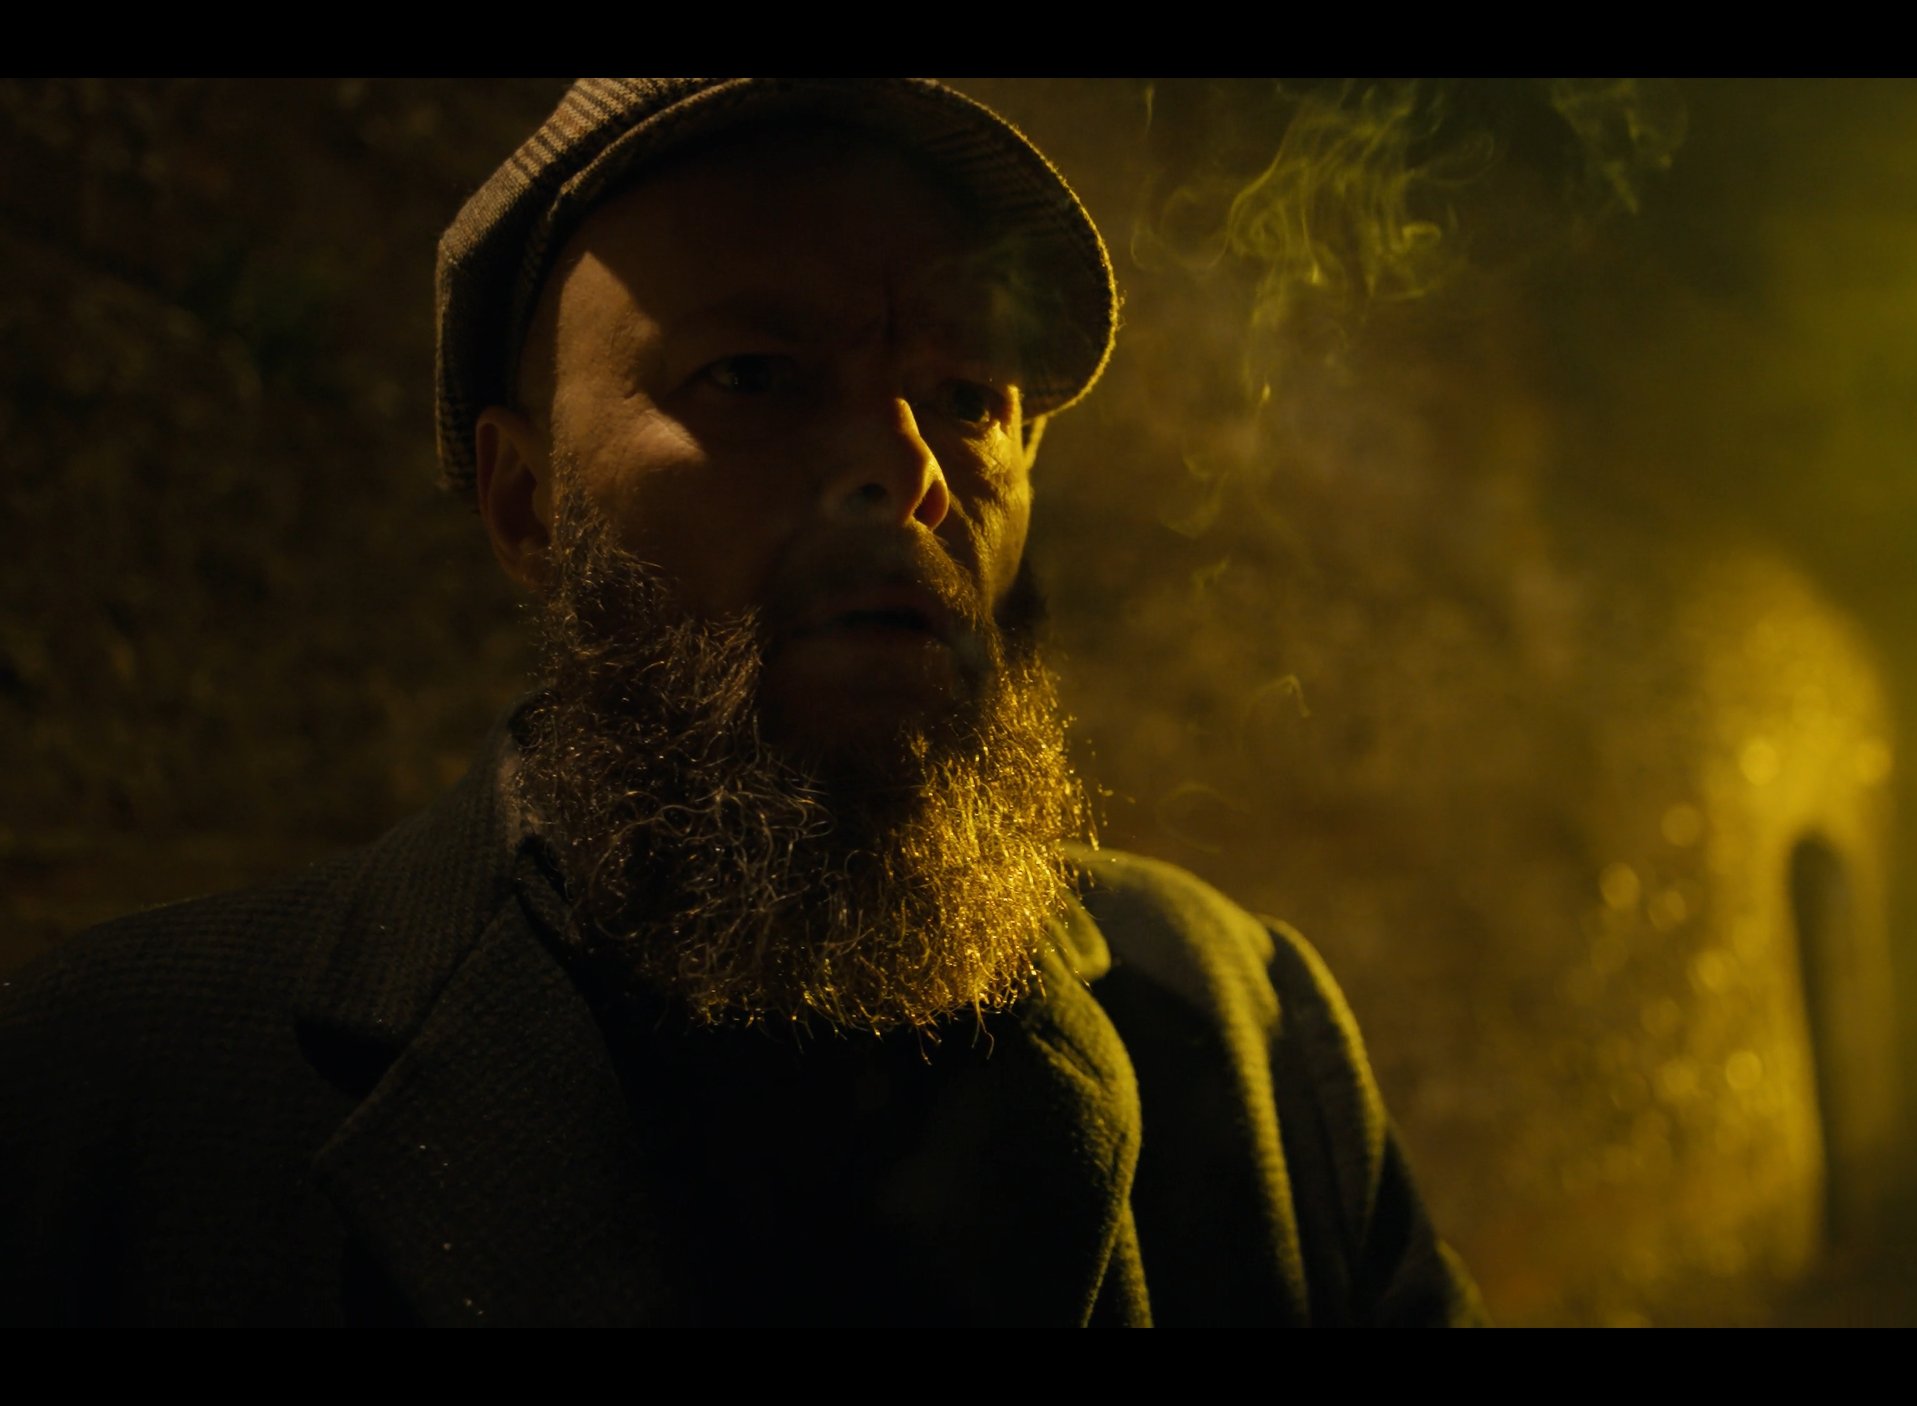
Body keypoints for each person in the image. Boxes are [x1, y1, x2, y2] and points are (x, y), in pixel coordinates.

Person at [0, 78, 1484, 1327]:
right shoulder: (126, 1099)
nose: (908, 464)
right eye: (758, 373)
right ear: (527, 505)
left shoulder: (1249, 1042)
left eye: (972, 395)